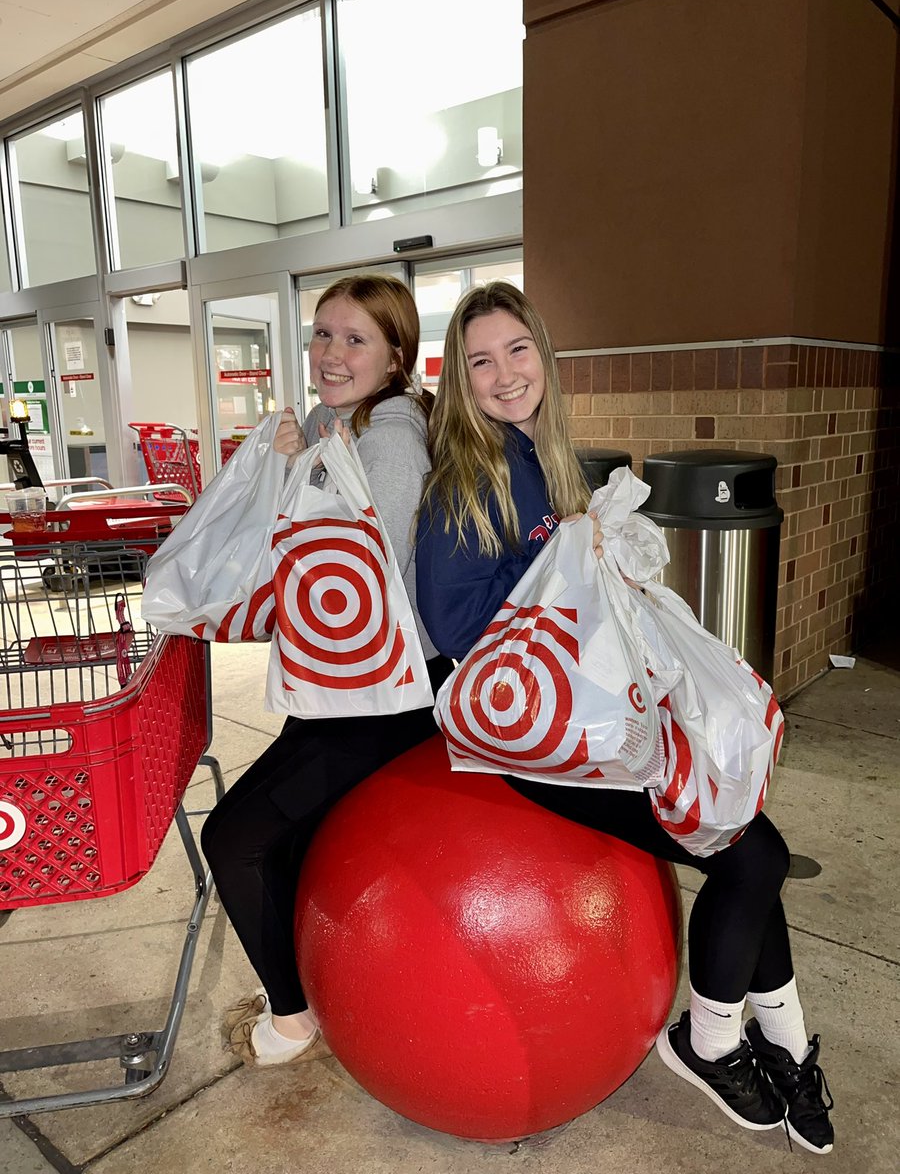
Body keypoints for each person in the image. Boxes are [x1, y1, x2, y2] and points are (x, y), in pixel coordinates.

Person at [415, 280, 834, 1155]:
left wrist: (595, 556)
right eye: (481, 361)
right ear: (459, 378)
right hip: (534, 743)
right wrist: (563, 561)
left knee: (743, 828)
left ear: (543, 355)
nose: (504, 374)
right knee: (753, 853)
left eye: (517, 350)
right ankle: (708, 1041)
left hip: (592, 715)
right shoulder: (467, 477)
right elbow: (452, 628)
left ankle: (789, 1046)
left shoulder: (544, 456)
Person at [201, 274, 451, 1067]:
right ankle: (312, 985)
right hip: (340, 686)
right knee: (283, 836)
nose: (331, 354)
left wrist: (289, 478)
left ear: (396, 357)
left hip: (385, 698)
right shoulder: (330, 422)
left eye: (355, 340)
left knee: (233, 839)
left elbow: (371, 587)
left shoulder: (390, 443)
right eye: (322, 334)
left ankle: (293, 1017)